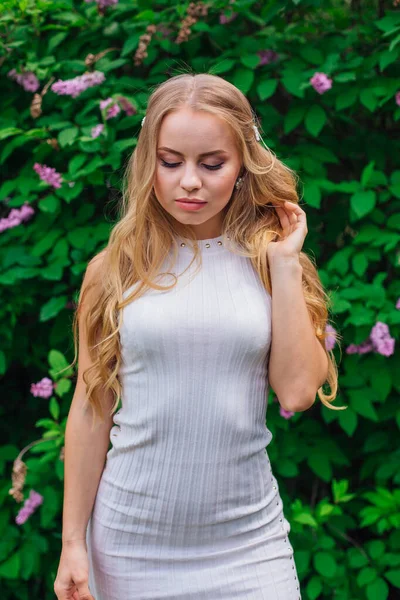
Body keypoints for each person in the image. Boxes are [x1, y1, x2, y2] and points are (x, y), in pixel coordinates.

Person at [54, 72, 341, 600]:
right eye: (171, 162)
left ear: (242, 167)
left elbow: (298, 393)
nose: (190, 181)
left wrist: (282, 264)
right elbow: (92, 407)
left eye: (212, 164)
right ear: (148, 162)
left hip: (248, 546)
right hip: (129, 547)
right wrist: (73, 541)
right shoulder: (113, 269)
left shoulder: (273, 262)